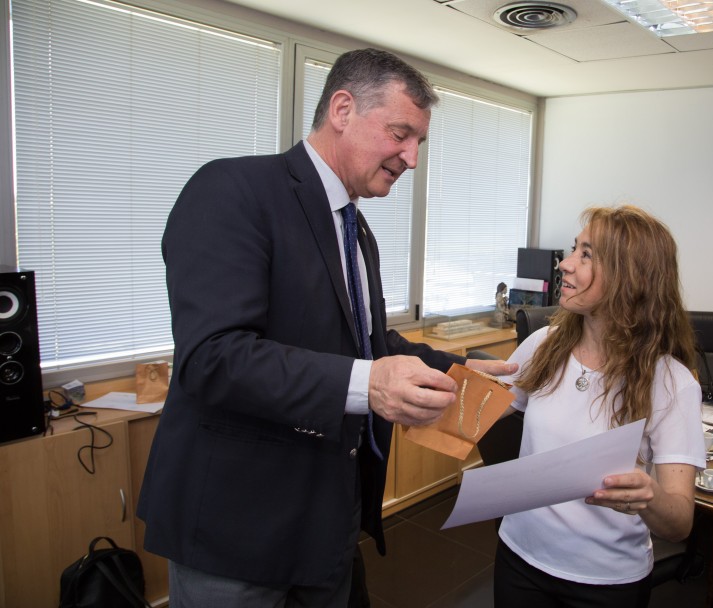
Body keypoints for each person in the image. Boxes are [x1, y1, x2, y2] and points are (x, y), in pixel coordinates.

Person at [137, 48, 515, 608]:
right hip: (237, 529)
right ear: (342, 109)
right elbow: (213, 357)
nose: (411, 158)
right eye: (400, 133)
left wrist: (454, 367)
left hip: (328, 522)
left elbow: (366, 344)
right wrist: (372, 386)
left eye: (419, 143)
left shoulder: (358, 232)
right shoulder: (234, 190)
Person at [492, 205, 705, 607]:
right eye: (574, 249)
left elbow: (679, 522)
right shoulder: (544, 345)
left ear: (630, 276)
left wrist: (650, 497)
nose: (565, 265)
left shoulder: (672, 383)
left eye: (586, 254)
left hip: (605, 585)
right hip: (519, 559)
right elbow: (476, 412)